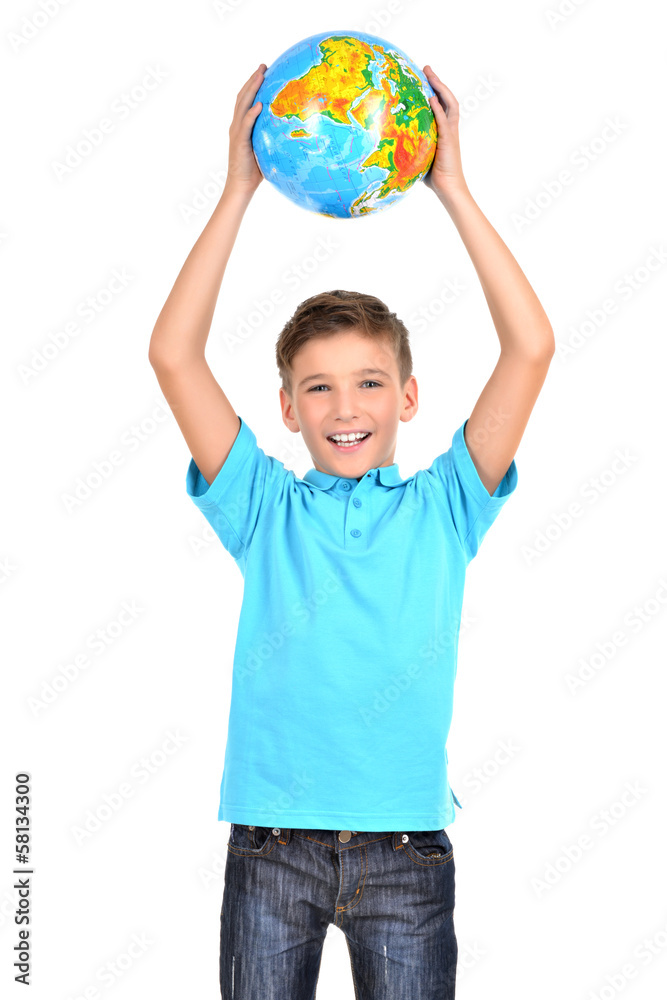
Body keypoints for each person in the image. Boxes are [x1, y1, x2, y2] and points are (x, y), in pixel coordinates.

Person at [148, 61, 555, 1000]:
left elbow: (529, 346)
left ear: (407, 397)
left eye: (369, 381)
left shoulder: (447, 503)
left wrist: (450, 186)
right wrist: (237, 191)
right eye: (318, 386)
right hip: (271, 848)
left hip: (406, 856)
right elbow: (173, 354)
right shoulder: (263, 507)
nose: (346, 405)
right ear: (285, 409)